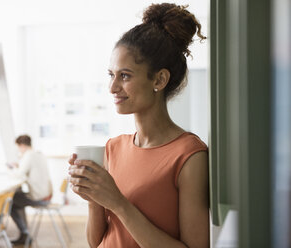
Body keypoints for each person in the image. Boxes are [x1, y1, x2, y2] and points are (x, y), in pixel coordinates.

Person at [68, 3, 208, 248]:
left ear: (159, 79)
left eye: (125, 76)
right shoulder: (113, 148)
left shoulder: (189, 155)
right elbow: (96, 241)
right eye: (111, 75)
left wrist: (118, 203)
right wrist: (93, 198)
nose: (112, 87)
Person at [8, 135, 53, 245]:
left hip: (40, 198)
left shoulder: (28, 155)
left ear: (22, 145)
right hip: (47, 194)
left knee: (11, 202)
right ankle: (24, 233)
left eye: (18, 147)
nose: (19, 150)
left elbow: (19, 174)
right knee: (17, 197)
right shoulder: (39, 154)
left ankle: (25, 233)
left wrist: (13, 167)